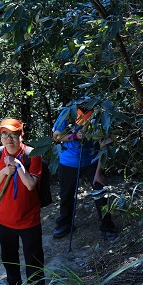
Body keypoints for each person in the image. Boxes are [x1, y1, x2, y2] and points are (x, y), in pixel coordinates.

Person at [0, 118, 45, 285]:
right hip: (5, 218)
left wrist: (18, 165)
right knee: (9, 256)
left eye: (13, 134)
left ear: (22, 135)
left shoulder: (32, 154)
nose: (9, 138)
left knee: (34, 256)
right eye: (5, 134)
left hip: (29, 218)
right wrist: (5, 171)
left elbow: (30, 184)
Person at [52, 103, 117, 240]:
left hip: (92, 160)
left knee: (100, 191)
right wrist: (75, 136)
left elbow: (104, 145)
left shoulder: (100, 114)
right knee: (66, 195)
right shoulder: (67, 113)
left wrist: (99, 172)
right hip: (69, 161)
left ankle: (107, 226)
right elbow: (56, 136)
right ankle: (65, 224)